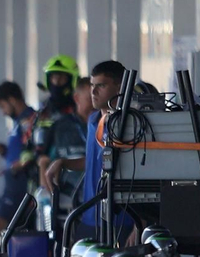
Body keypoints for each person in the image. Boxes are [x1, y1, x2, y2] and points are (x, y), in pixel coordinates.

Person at [40, 60, 133, 243]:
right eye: (92, 85)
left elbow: (146, 175)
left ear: (120, 87)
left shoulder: (130, 125)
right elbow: (93, 160)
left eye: (102, 85)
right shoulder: (93, 120)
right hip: (90, 215)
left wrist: (140, 225)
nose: (94, 91)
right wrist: (63, 163)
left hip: (120, 220)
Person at [32, 56, 87, 226]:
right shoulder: (44, 114)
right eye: (53, 78)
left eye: (62, 78)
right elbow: (41, 156)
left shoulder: (85, 113)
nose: (57, 82)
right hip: (57, 188)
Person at [0, 81, 37, 235]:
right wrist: (6, 151)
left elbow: (37, 149)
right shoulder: (17, 123)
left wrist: (22, 164)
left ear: (12, 100)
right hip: (12, 183)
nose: (3, 112)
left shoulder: (31, 119)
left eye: (3, 106)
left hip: (20, 183)